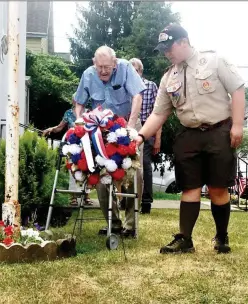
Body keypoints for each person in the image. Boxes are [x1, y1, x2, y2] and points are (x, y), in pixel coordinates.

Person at [135, 24, 245, 254]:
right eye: (163, 49)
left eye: (169, 47)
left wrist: (237, 125)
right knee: (189, 187)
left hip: (219, 131)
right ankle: (185, 239)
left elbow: (237, 89)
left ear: (183, 42)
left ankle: (222, 237)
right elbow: (159, 113)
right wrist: (141, 136)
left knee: (217, 188)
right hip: (189, 135)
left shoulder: (214, 61)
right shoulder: (169, 77)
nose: (166, 53)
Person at [74, 45, 146, 237]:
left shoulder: (125, 68)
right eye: (100, 67)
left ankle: (131, 225)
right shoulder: (88, 75)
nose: (104, 71)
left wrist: (131, 127)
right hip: (101, 129)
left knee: (134, 173)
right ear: (94, 63)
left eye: (108, 67)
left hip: (129, 121)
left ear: (115, 63)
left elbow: (137, 96)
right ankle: (113, 222)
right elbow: (79, 102)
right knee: (100, 171)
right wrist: (79, 120)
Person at [43, 101, 93, 206]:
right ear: (73, 101)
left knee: (86, 168)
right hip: (72, 145)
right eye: (76, 99)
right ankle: (73, 197)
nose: (78, 101)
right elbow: (60, 127)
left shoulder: (88, 112)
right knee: (72, 169)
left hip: (86, 144)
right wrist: (51, 129)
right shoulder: (68, 113)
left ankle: (86, 196)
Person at [129, 58, 162, 214]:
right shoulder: (125, 86)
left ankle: (146, 201)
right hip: (128, 129)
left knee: (145, 165)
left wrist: (158, 139)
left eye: (136, 70)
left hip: (147, 130)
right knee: (127, 165)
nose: (133, 73)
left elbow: (158, 114)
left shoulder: (150, 86)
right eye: (130, 70)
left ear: (140, 71)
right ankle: (127, 200)